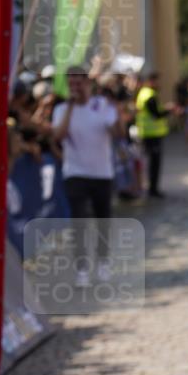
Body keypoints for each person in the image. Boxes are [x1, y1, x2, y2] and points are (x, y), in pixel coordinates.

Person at [52, 65, 122, 287]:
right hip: (75, 173)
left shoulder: (101, 105)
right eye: (71, 83)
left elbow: (117, 133)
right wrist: (71, 107)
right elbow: (58, 135)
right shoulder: (61, 109)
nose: (75, 87)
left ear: (87, 83)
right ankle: (82, 269)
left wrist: (118, 113)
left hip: (102, 173)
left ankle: (103, 262)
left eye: (79, 82)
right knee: (79, 220)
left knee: (102, 220)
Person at [135, 72, 174, 198]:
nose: (159, 84)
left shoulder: (145, 93)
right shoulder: (149, 95)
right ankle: (152, 189)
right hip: (151, 134)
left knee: (152, 162)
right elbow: (156, 114)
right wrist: (169, 110)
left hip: (150, 133)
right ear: (151, 81)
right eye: (157, 81)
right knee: (154, 163)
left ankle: (152, 188)